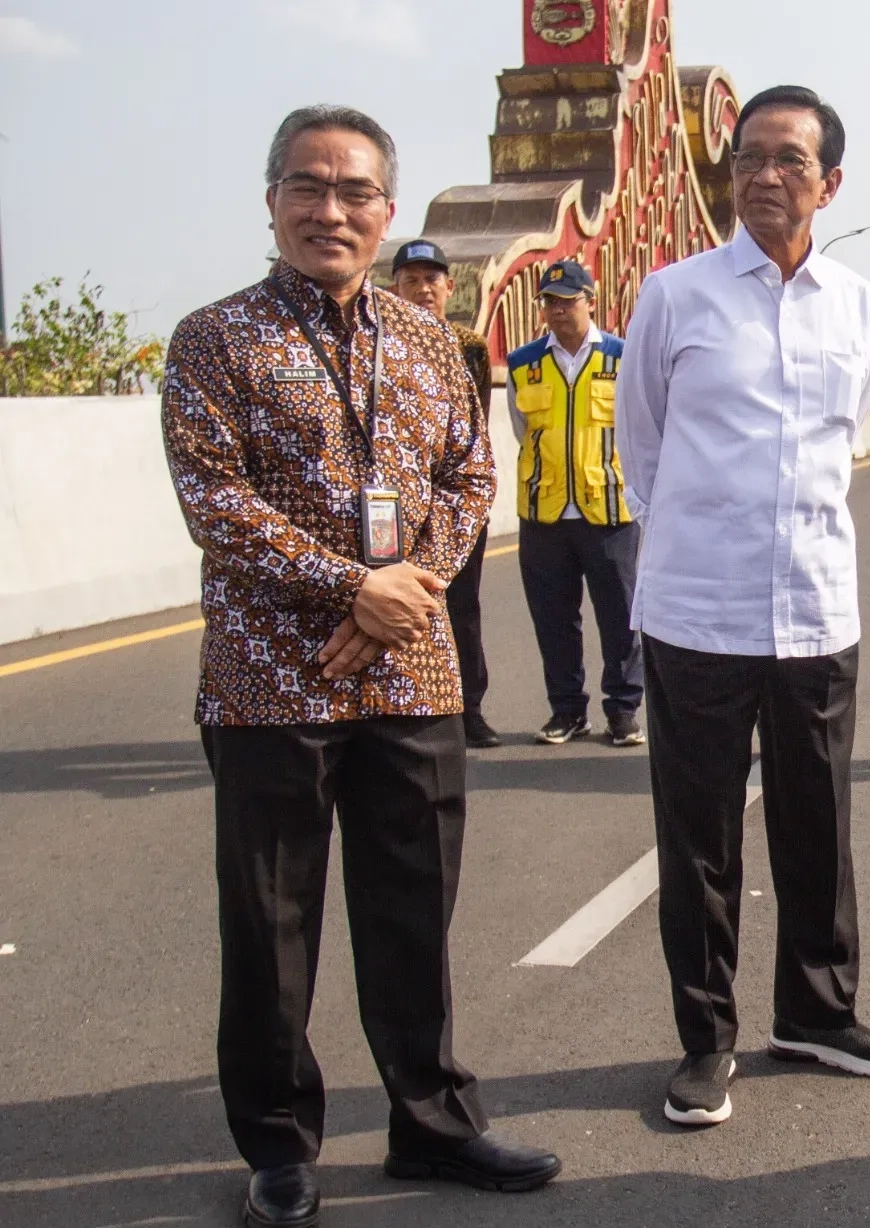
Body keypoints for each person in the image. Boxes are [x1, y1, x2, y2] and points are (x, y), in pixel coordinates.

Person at [160, 104, 559, 1228]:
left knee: (413, 912)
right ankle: (280, 1148)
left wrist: (402, 596)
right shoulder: (215, 340)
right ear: (272, 201)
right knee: (271, 925)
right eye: (307, 185)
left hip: (413, 676)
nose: (329, 210)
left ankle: (433, 1122)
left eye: (353, 192)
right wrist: (352, 589)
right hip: (269, 681)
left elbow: (470, 479)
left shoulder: (432, 342)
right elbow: (215, 499)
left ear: (387, 211)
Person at [615, 85, 870, 1130]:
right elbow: (642, 449)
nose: (764, 175)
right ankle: (706, 1040)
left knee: (816, 824)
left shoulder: (860, 306)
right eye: (748, 157)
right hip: (698, 612)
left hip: (816, 609)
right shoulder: (674, 296)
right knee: (699, 837)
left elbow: (842, 440)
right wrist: (698, 542)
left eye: (789, 159)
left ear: (830, 182)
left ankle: (818, 1014)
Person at [506, 258, 646, 748]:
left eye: (567, 300)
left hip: (608, 510)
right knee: (554, 619)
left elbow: (639, 430)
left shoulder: (623, 358)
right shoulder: (523, 363)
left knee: (620, 616)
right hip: (543, 513)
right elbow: (522, 431)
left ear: (591, 300)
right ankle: (567, 710)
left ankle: (623, 710)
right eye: (549, 302)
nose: (558, 310)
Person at [391, 238, 501, 748]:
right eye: (410, 280)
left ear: (449, 287)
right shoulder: (380, 342)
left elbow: (476, 432)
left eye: (431, 279)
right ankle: (405, 707)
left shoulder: (469, 347)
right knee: (399, 603)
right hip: (393, 509)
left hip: (453, 504)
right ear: (394, 287)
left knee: (461, 607)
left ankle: (468, 710)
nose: (422, 289)